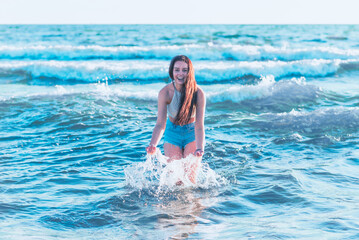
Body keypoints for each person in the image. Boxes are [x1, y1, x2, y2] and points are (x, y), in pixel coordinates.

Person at [146, 55, 206, 182]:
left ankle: (194, 202)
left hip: (191, 133)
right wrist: (153, 144)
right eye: (177, 69)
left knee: (190, 180)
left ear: (190, 72)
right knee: (177, 180)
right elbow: (160, 124)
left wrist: (200, 148)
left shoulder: (198, 93)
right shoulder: (165, 92)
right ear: (171, 71)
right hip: (172, 133)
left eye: (184, 70)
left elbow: (199, 125)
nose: (180, 74)